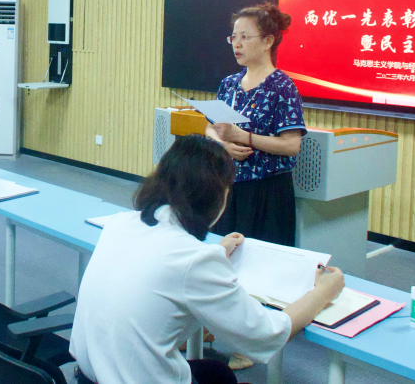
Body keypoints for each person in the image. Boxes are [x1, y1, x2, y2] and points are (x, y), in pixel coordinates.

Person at [70, 135, 344, 384]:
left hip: (89, 375)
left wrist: (217, 253)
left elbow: (163, 266)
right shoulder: (195, 260)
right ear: (218, 196)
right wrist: (322, 293)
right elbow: (265, 334)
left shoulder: (120, 224)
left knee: (217, 373)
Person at [206, 2, 306, 247]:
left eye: (245, 37)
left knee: (261, 259)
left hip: (267, 192)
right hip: (227, 185)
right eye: (233, 37)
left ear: (268, 41)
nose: (237, 44)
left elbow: (291, 145)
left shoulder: (283, 87)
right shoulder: (229, 84)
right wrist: (223, 145)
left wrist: (243, 137)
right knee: (223, 254)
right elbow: (210, 127)